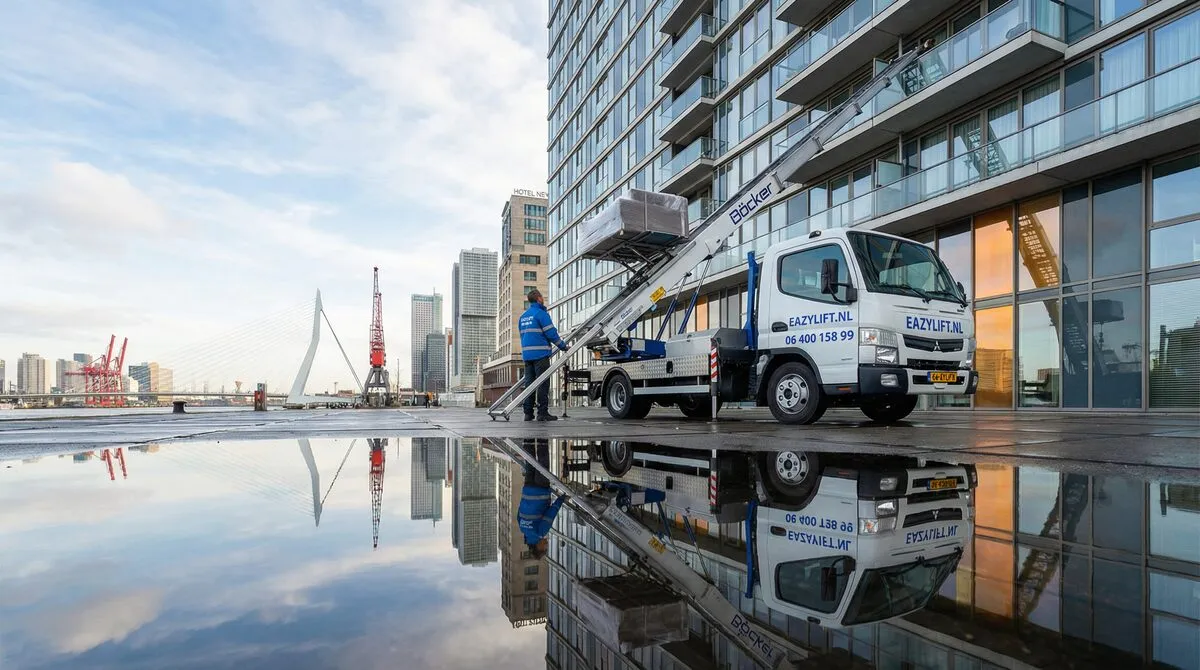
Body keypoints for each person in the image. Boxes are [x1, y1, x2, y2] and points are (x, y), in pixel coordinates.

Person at [519, 289, 568, 421]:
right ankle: (542, 413)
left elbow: (522, 336)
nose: (543, 299)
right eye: (542, 296)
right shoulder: (541, 314)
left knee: (530, 384)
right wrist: (562, 346)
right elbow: (551, 333)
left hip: (527, 355)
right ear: (539, 298)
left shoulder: (523, 317)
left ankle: (528, 413)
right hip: (540, 354)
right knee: (542, 384)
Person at [518, 438, 566, 558]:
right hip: (528, 488)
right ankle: (528, 438)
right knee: (530, 463)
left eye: (545, 548)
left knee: (543, 464)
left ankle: (541, 439)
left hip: (541, 490)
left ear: (538, 547)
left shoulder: (540, 533)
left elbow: (551, 513)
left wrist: (562, 499)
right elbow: (519, 512)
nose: (546, 544)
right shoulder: (523, 529)